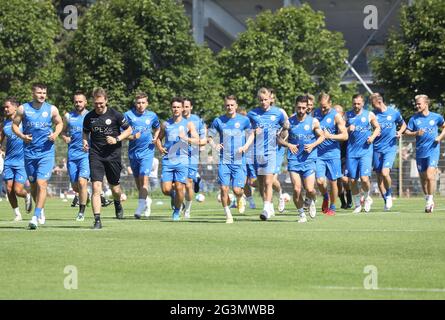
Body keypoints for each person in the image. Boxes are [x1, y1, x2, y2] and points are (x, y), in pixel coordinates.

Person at [12, 83, 63, 230]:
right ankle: (40, 208)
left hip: (46, 153)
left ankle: (35, 216)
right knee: (33, 185)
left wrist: (55, 134)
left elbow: (59, 123)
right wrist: (22, 136)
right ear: (33, 93)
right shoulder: (23, 109)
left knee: (42, 183)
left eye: (44, 93)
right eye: (39, 93)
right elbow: (15, 125)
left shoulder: (52, 109)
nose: (42, 95)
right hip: (29, 153)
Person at [82, 87, 132, 229]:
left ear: (106, 101)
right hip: (95, 155)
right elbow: (85, 133)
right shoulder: (89, 117)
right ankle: (97, 220)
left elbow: (129, 130)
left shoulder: (115, 115)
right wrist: (85, 141)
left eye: (101, 103)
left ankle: (117, 203)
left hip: (113, 156)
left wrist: (117, 139)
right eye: (96, 103)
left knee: (115, 188)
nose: (98, 106)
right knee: (96, 187)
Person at [208, 95, 254, 223]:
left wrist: (245, 146)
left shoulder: (244, 120)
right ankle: (228, 215)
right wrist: (215, 145)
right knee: (223, 189)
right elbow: (210, 137)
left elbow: (251, 135)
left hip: (239, 161)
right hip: (224, 160)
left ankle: (240, 198)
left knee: (237, 190)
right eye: (227, 105)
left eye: (232, 105)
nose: (229, 107)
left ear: (236, 106)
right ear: (225, 106)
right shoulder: (218, 121)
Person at [278, 95, 324, 223]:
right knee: (297, 189)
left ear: (307, 108)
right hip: (294, 160)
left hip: (309, 160)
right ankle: (301, 214)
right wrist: (289, 145)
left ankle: (311, 201)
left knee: (310, 189)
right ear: (295, 107)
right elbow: (279, 139)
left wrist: (313, 145)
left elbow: (322, 137)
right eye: (299, 107)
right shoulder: (289, 122)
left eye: (304, 108)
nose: (301, 110)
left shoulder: (313, 121)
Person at [247, 87, 288, 221]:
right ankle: (268, 205)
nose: (263, 102)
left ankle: (265, 208)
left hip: (271, 151)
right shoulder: (252, 114)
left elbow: (285, 128)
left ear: (270, 99)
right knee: (260, 182)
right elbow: (246, 131)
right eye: (261, 100)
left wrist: (281, 136)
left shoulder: (278, 113)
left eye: (265, 100)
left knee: (268, 181)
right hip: (257, 151)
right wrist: (252, 132)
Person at [156, 97, 199, 221]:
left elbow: (197, 140)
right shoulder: (166, 124)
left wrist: (186, 138)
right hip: (168, 160)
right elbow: (158, 138)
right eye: (174, 107)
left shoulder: (188, 124)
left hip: (183, 160)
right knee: (166, 189)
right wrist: (159, 147)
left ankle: (176, 210)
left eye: (178, 107)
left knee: (180, 186)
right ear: (171, 108)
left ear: (182, 108)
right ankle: (176, 197)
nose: (176, 109)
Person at [404, 94, 445, 213]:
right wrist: (416, 133)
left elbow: (444, 127)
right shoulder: (414, 119)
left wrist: (440, 137)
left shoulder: (436, 117)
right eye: (416, 104)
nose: (417, 106)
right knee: (423, 178)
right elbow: (406, 131)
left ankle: (430, 200)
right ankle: (427, 196)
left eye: (419, 104)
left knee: (429, 175)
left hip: (433, 150)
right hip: (420, 152)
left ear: (426, 104)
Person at [124, 93, 160, 219]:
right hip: (133, 153)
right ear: (135, 103)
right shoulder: (128, 115)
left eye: (143, 102)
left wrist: (155, 138)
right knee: (138, 182)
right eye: (138, 103)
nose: (141, 105)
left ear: (147, 103)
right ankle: (146, 201)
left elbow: (157, 128)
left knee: (144, 179)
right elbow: (122, 134)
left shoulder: (152, 116)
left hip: (147, 152)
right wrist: (132, 136)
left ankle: (139, 208)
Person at [345, 94, 381, 214]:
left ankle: (366, 198)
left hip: (365, 151)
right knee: (353, 180)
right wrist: (348, 128)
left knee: (365, 179)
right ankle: (357, 204)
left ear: (363, 103)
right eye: (354, 103)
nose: (356, 105)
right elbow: (341, 131)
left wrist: (372, 137)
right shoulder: (347, 115)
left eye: (358, 103)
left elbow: (377, 128)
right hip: (351, 152)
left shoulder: (369, 114)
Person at [370, 93, 406, 211]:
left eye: (372, 103)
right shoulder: (372, 114)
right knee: (379, 177)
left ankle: (389, 194)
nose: (371, 105)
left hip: (390, 148)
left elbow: (403, 125)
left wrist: (400, 132)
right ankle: (385, 200)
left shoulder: (394, 113)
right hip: (376, 149)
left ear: (379, 102)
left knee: (385, 173)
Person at [313, 93, 348, 216]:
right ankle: (325, 196)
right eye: (321, 107)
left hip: (333, 154)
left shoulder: (336, 116)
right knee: (320, 181)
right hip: (318, 154)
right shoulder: (315, 114)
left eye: (325, 107)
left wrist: (330, 136)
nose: (323, 110)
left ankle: (332, 206)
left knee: (333, 182)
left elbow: (345, 135)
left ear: (330, 104)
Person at [0, 97, 32, 221]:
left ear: (16, 107)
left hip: (22, 161)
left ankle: (27, 195)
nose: (5, 109)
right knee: (8, 188)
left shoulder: (25, 121)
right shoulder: (4, 124)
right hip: (8, 161)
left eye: (7, 107)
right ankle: (17, 214)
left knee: (18, 190)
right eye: (4, 107)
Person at [61, 92, 90, 221]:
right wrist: (65, 137)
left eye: (80, 101)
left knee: (82, 182)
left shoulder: (91, 116)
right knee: (75, 186)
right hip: (72, 156)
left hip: (86, 155)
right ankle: (86, 195)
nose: (78, 104)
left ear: (85, 102)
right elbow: (61, 130)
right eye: (76, 101)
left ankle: (81, 212)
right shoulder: (68, 116)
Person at [182, 98, 207, 218]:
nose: (184, 109)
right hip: (177, 155)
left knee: (188, 183)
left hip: (192, 154)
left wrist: (201, 145)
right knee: (175, 183)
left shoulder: (197, 120)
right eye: (183, 106)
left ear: (191, 107)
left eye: (187, 106)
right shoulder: (175, 120)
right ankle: (196, 178)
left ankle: (187, 210)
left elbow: (203, 138)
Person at [269, 89, 289, 214]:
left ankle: (270, 205)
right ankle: (279, 195)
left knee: (270, 178)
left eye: (270, 97)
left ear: (273, 98)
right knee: (263, 180)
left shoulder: (280, 112)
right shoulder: (259, 113)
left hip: (277, 149)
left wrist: (282, 140)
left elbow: (287, 128)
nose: (268, 100)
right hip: (263, 149)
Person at [334, 104, 353, 209]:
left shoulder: (347, 125)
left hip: (345, 156)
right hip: (334, 156)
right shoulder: (331, 125)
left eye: (339, 112)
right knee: (337, 180)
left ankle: (349, 198)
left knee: (345, 179)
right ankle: (343, 202)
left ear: (343, 114)